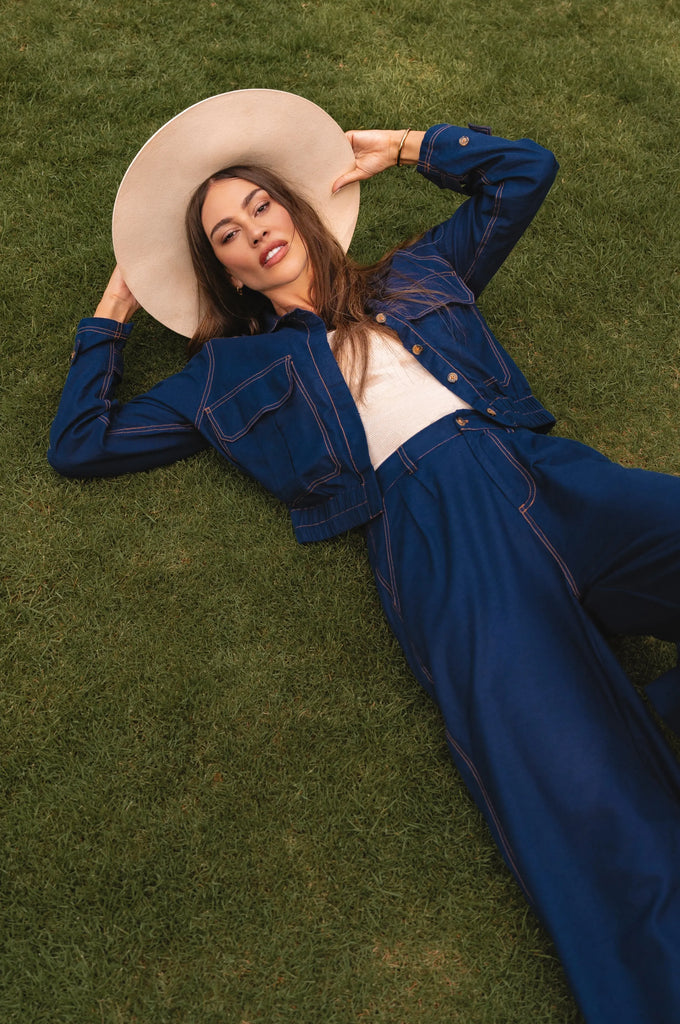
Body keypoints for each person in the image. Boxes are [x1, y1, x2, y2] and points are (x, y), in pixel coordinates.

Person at [48, 90, 680, 1023]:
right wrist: (114, 308)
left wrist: (410, 146)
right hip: (438, 548)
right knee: (572, 798)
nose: (252, 230)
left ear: (296, 209)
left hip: (541, 475)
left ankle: (632, 710)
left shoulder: (417, 273)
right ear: (217, 266)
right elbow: (81, 445)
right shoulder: (225, 377)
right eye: (225, 231)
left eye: (261, 205)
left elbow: (523, 174)